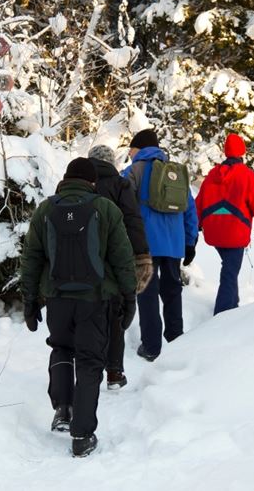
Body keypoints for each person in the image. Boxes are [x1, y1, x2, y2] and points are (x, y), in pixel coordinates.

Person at [20, 157, 137, 458]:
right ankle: (82, 436)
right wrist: (129, 296)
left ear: (66, 178)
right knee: (88, 362)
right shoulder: (106, 209)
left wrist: (30, 301)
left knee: (60, 348)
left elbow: (32, 258)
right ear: (92, 182)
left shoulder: (46, 210)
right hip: (94, 300)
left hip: (57, 299)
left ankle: (62, 409)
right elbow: (122, 259)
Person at [121, 129, 198, 361]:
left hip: (146, 245)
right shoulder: (175, 172)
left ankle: (152, 347)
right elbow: (190, 209)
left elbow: (122, 204)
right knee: (173, 291)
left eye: (131, 149)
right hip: (174, 245)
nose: (129, 153)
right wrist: (190, 242)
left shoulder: (133, 170)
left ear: (139, 148)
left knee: (147, 293)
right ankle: (176, 340)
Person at [87, 145, 153, 389]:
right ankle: (114, 372)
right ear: (111, 161)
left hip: (82, 257)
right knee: (115, 313)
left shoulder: (81, 183)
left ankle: (87, 367)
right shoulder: (120, 184)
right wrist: (141, 254)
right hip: (115, 256)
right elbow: (132, 220)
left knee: (87, 312)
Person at [195, 133, 254, 315]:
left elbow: (199, 202)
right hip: (235, 232)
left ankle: (233, 307)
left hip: (213, 232)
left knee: (230, 268)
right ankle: (222, 315)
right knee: (230, 273)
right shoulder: (247, 176)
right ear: (242, 151)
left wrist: (196, 225)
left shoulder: (212, 175)